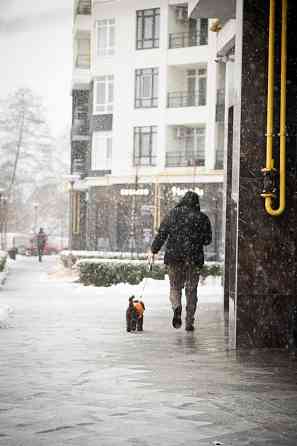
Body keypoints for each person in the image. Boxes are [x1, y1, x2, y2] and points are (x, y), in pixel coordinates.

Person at [150, 191, 212, 331]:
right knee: (191, 291)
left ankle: (176, 307)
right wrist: (196, 239)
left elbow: (162, 234)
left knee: (175, 287)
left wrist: (154, 250)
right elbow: (208, 240)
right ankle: (189, 322)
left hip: (174, 258)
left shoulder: (173, 214)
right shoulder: (202, 217)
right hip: (194, 259)